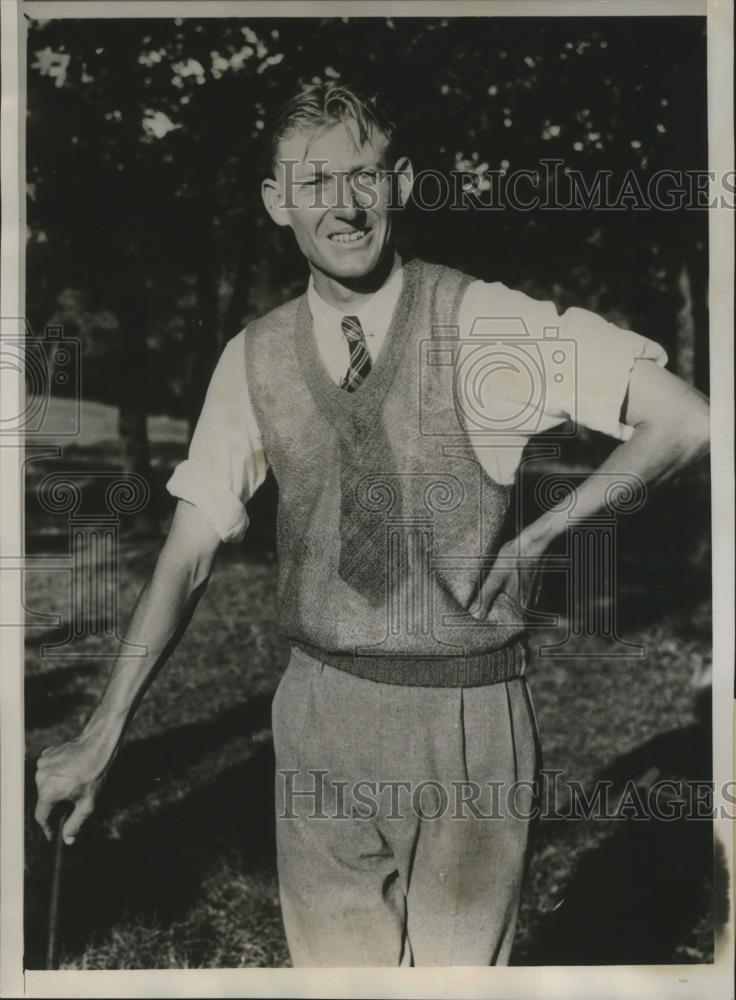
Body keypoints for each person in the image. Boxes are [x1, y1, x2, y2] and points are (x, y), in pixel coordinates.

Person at [35, 80, 710, 967]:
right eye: (315, 184)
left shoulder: (481, 321)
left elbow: (686, 419)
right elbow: (187, 558)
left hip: (466, 723)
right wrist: (101, 733)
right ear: (278, 202)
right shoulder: (254, 359)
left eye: (365, 176)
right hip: (318, 715)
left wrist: (544, 534)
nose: (345, 206)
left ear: (399, 185)